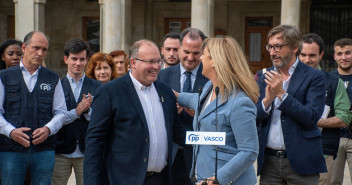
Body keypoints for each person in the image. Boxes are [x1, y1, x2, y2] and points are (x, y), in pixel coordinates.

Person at [83, 39, 185, 185]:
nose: (156, 67)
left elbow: (177, 131)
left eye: (158, 61)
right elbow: (95, 142)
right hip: (123, 180)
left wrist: (208, 140)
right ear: (133, 62)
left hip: (160, 180)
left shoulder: (166, 92)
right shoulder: (109, 92)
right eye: (150, 61)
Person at [175, 36, 259, 185]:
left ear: (215, 61)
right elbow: (196, 101)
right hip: (201, 177)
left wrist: (216, 179)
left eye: (204, 54)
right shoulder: (209, 87)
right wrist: (170, 94)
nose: (199, 58)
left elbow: (249, 151)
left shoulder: (240, 103)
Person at [256, 25, 327, 185]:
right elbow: (253, 117)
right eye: (270, 47)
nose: (272, 52)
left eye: (278, 46)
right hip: (269, 163)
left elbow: (311, 117)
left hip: (302, 162)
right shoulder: (263, 76)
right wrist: (267, 101)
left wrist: (281, 94)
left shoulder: (315, 77)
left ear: (295, 47)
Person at [0, 31, 67, 185]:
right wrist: (10, 132)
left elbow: (61, 112)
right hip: (11, 150)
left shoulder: (53, 78)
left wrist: (48, 129)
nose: (40, 53)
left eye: (44, 49)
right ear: (24, 47)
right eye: (36, 48)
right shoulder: (4, 76)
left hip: (43, 150)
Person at [158, 28, 208, 185]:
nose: (190, 57)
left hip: (199, 154)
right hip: (169, 153)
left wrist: (200, 114)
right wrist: (171, 111)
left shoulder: (210, 76)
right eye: (186, 52)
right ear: (179, 48)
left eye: (196, 53)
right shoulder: (162, 75)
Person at [299, 33, 351, 185]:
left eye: (312, 55)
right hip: (292, 151)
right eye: (303, 55)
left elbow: (344, 117)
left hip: (323, 151)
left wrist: (315, 122)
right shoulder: (286, 79)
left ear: (321, 55)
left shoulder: (334, 81)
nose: (307, 60)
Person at [51, 39, 101, 185]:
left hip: (87, 151)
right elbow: (54, 118)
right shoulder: (57, 85)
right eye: (74, 59)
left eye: (81, 59)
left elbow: (101, 118)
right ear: (66, 59)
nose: (78, 63)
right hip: (60, 150)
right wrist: (76, 112)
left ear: (87, 60)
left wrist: (87, 111)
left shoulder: (97, 86)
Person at [331, 38, 352, 185]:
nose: (343, 57)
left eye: (348, 53)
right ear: (334, 56)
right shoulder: (327, 78)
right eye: (340, 53)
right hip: (333, 137)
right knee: (332, 181)